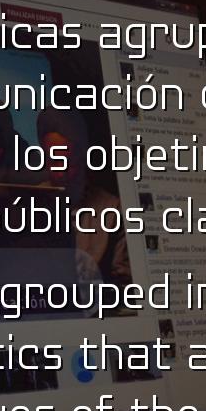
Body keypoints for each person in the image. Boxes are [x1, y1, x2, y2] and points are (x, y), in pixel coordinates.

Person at [37, 108, 131, 285]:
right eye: (54, 161)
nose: (61, 173)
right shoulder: (32, 202)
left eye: (69, 163)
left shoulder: (113, 210)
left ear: (82, 157)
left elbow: (123, 282)